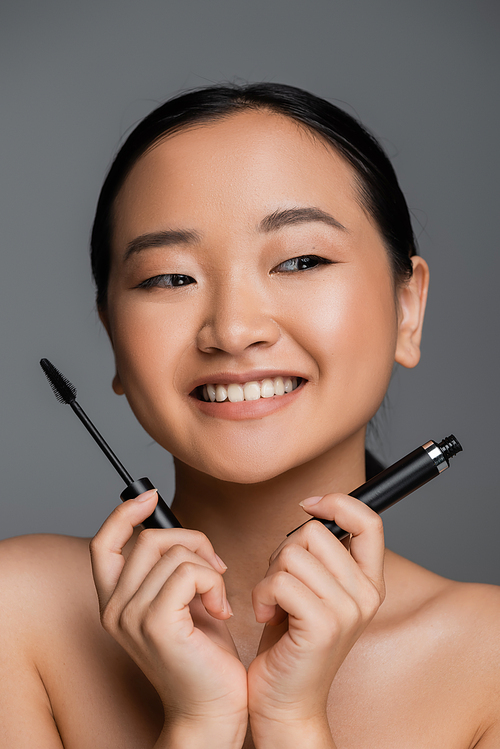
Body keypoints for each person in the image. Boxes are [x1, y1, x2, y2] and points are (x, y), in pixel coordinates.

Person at [1, 83, 499, 749]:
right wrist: (198, 725)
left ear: (408, 308)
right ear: (113, 335)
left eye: (301, 260)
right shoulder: (16, 615)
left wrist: (293, 723)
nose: (233, 330)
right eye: (170, 278)